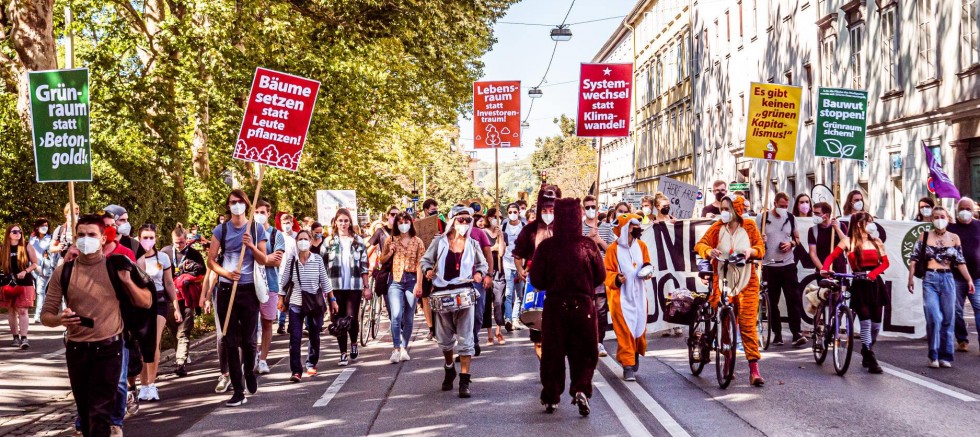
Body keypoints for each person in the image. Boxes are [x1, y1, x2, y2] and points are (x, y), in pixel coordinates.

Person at [42, 214, 153, 437]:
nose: (86, 239)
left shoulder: (116, 266)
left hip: (109, 349)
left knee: (100, 414)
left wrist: (127, 282)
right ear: (75, 238)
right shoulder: (64, 271)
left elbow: (147, 301)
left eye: (92, 235)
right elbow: (46, 315)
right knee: (85, 416)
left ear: (103, 238)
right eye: (81, 235)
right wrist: (60, 319)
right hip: (77, 350)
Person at [531, 198, 605, 415]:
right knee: (584, 351)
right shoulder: (588, 245)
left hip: (556, 306)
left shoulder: (546, 247)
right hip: (583, 305)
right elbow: (600, 275)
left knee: (553, 352)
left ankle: (551, 395)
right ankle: (581, 387)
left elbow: (536, 279)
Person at [694, 196, 767, 386]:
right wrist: (708, 251)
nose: (724, 212)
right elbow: (700, 244)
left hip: (746, 282)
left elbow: (760, 248)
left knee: (748, 325)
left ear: (737, 210)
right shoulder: (717, 227)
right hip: (723, 281)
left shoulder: (749, 226)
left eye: (727, 209)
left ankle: (754, 370)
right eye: (722, 209)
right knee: (725, 325)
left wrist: (751, 252)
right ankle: (727, 362)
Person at [206, 189, 268, 407]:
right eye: (233, 202)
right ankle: (238, 390)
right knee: (229, 341)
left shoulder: (256, 229)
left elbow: (263, 260)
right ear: (228, 205)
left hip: (249, 290)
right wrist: (226, 273)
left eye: (240, 201)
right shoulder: (221, 230)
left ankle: (249, 370)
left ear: (246, 204)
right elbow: (211, 261)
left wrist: (250, 246)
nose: (236, 205)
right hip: (227, 290)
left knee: (249, 341)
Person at [420, 206, 488, 398]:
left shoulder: (473, 244)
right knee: (444, 340)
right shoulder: (439, 242)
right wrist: (428, 271)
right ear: (452, 221)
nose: (464, 223)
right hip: (442, 293)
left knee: (466, 339)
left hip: (464, 293)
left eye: (468, 220)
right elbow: (425, 261)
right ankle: (449, 368)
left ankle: (464, 381)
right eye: (461, 219)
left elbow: (482, 264)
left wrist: (479, 273)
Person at [821, 211, 889, 374]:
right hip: (859, 283)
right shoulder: (848, 241)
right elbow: (831, 257)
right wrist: (825, 268)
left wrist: (873, 274)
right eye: (869, 221)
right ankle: (870, 355)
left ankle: (867, 349)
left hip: (875, 283)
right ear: (859, 224)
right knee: (865, 321)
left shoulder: (877, 241)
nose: (872, 225)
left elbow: (885, 263)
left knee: (876, 324)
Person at [908, 207, 973, 368]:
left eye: (942, 216)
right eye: (936, 217)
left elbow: (960, 261)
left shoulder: (954, 238)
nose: (939, 219)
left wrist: (969, 280)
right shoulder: (924, 236)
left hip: (948, 278)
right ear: (931, 219)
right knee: (934, 317)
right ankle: (933, 354)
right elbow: (914, 258)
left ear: (948, 218)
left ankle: (946, 355)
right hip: (930, 278)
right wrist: (911, 278)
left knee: (948, 318)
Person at [280, 230, 336, 382]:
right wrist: (280, 299)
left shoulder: (317, 259)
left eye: (306, 239)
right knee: (295, 337)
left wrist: (332, 300)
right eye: (300, 239)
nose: (303, 242)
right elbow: (284, 282)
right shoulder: (292, 260)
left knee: (314, 335)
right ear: (296, 242)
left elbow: (324, 281)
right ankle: (296, 371)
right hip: (296, 303)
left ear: (311, 242)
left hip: (314, 304)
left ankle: (311, 363)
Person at [514, 186, 561, 359]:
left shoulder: (564, 229)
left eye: (551, 210)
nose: (548, 213)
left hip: (559, 284)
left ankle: (554, 365)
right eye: (544, 210)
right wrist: (520, 270)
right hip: (536, 283)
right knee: (538, 335)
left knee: (558, 333)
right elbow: (517, 255)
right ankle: (545, 366)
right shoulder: (529, 230)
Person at [604, 214, 651, 381]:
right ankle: (628, 365)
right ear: (625, 228)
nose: (637, 228)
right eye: (633, 225)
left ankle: (634, 352)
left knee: (639, 327)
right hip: (621, 298)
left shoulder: (642, 246)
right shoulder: (612, 249)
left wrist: (647, 272)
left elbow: (647, 264)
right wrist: (617, 278)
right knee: (625, 330)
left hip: (639, 295)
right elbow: (607, 273)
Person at [135, 224, 178, 402]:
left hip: (159, 300)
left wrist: (175, 305)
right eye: (145, 237)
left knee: (154, 341)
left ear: (156, 238)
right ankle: (143, 384)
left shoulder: (163, 258)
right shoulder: (134, 257)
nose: (148, 241)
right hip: (140, 301)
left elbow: (169, 282)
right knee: (141, 344)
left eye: (151, 237)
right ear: (138, 239)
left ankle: (151, 384)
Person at [324, 208, 370, 366]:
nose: (343, 224)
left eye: (346, 221)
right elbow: (322, 264)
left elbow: (364, 266)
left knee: (351, 317)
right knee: (338, 319)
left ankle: (354, 343)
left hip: (353, 286)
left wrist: (366, 286)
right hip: (335, 286)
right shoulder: (329, 241)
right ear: (335, 222)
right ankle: (342, 353)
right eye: (340, 221)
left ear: (350, 222)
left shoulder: (358, 241)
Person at [163, 223, 207, 378]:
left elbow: (203, 274)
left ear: (186, 240)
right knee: (175, 331)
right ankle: (180, 356)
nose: (179, 245)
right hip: (170, 298)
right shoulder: (165, 253)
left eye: (182, 242)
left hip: (187, 298)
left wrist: (189, 278)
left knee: (183, 331)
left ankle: (180, 363)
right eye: (176, 243)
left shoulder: (194, 254)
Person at [761, 192, 804, 347]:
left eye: (786, 206)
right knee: (772, 302)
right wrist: (760, 239)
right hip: (769, 265)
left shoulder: (791, 218)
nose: (783, 209)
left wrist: (791, 244)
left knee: (793, 299)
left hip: (788, 264)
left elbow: (797, 238)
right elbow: (753, 239)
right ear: (774, 204)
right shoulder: (763, 218)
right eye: (781, 206)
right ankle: (777, 333)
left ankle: (796, 333)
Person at [380, 212, 425, 362]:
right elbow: (382, 260)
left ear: (411, 223)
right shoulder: (390, 240)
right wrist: (390, 252)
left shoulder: (417, 241)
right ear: (396, 224)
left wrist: (419, 284)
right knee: (396, 314)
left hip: (412, 280)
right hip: (395, 281)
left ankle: (404, 347)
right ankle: (396, 348)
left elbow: (420, 264)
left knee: (409, 316)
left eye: (406, 222)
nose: (403, 225)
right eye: (400, 222)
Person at [253, 201, 286, 374]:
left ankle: (263, 359)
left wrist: (259, 257)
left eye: (262, 212)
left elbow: (277, 260)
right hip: (250, 284)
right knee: (250, 323)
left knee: (267, 322)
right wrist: (267, 257)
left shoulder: (275, 235)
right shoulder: (249, 233)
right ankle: (253, 355)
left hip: (270, 284)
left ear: (268, 214)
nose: (259, 215)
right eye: (256, 212)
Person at [582, 196, 615, 354]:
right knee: (585, 309)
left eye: (593, 207)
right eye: (587, 207)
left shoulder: (607, 228)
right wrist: (588, 238)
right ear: (583, 209)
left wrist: (600, 240)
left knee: (601, 310)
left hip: (601, 273)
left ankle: (599, 341)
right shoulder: (579, 228)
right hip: (584, 274)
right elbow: (575, 248)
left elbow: (612, 250)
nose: (591, 210)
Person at [949, 197, 980, 352]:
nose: (965, 212)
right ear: (957, 210)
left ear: (973, 211)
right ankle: (962, 339)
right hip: (956, 277)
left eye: (968, 209)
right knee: (956, 310)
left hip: (977, 277)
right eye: (962, 209)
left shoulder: (978, 226)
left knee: (979, 308)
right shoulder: (950, 228)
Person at [2, 224, 38, 349]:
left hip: (24, 281)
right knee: (11, 310)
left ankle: (24, 337)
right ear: (9, 234)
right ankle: (15, 337)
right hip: (8, 282)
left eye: (20, 231)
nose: (18, 233)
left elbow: (35, 263)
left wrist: (25, 271)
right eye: (15, 232)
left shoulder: (26, 245)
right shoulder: (3, 248)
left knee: (23, 310)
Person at [481, 207, 506, 346]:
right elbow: (481, 251)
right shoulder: (483, 233)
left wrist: (500, 237)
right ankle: (489, 333)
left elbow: (501, 252)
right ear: (490, 218)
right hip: (486, 270)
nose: (498, 219)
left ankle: (499, 330)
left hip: (499, 270)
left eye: (501, 217)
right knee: (486, 301)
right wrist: (492, 248)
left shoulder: (502, 234)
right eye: (496, 217)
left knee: (499, 301)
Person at [500, 203, 525, 332]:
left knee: (519, 294)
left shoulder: (524, 226)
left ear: (519, 212)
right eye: (510, 212)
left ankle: (515, 319)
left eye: (515, 212)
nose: (513, 214)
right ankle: (508, 319)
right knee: (509, 293)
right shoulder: (503, 226)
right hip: (507, 263)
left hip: (520, 265)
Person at [807, 202, 846, 273]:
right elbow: (813, 253)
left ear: (826, 215)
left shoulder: (841, 226)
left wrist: (837, 229)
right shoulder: (812, 230)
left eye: (817, 213)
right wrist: (823, 269)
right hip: (822, 269)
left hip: (840, 269)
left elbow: (846, 245)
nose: (814, 216)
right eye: (814, 213)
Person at [30, 218, 55, 324]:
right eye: (42, 225)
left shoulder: (50, 238)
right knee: (38, 291)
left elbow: (52, 253)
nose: (45, 227)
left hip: (45, 268)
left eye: (46, 225)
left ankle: (38, 315)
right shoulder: (32, 239)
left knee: (40, 291)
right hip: (33, 268)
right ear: (37, 227)